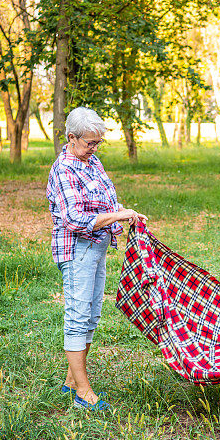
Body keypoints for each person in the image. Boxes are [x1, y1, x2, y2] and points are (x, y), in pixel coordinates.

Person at [46, 107, 146, 411]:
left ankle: (70, 381)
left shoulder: (91, 161)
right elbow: (75, 219)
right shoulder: (64, 169)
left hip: (97, 248)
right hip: (77, 250)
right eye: (90, 142)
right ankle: (83, 394)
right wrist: (117, 215)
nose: (95, 147)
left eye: (98, 143)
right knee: (77, 317)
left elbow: (105, 201)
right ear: (72, 138)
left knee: (90, 316)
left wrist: (127, 214)